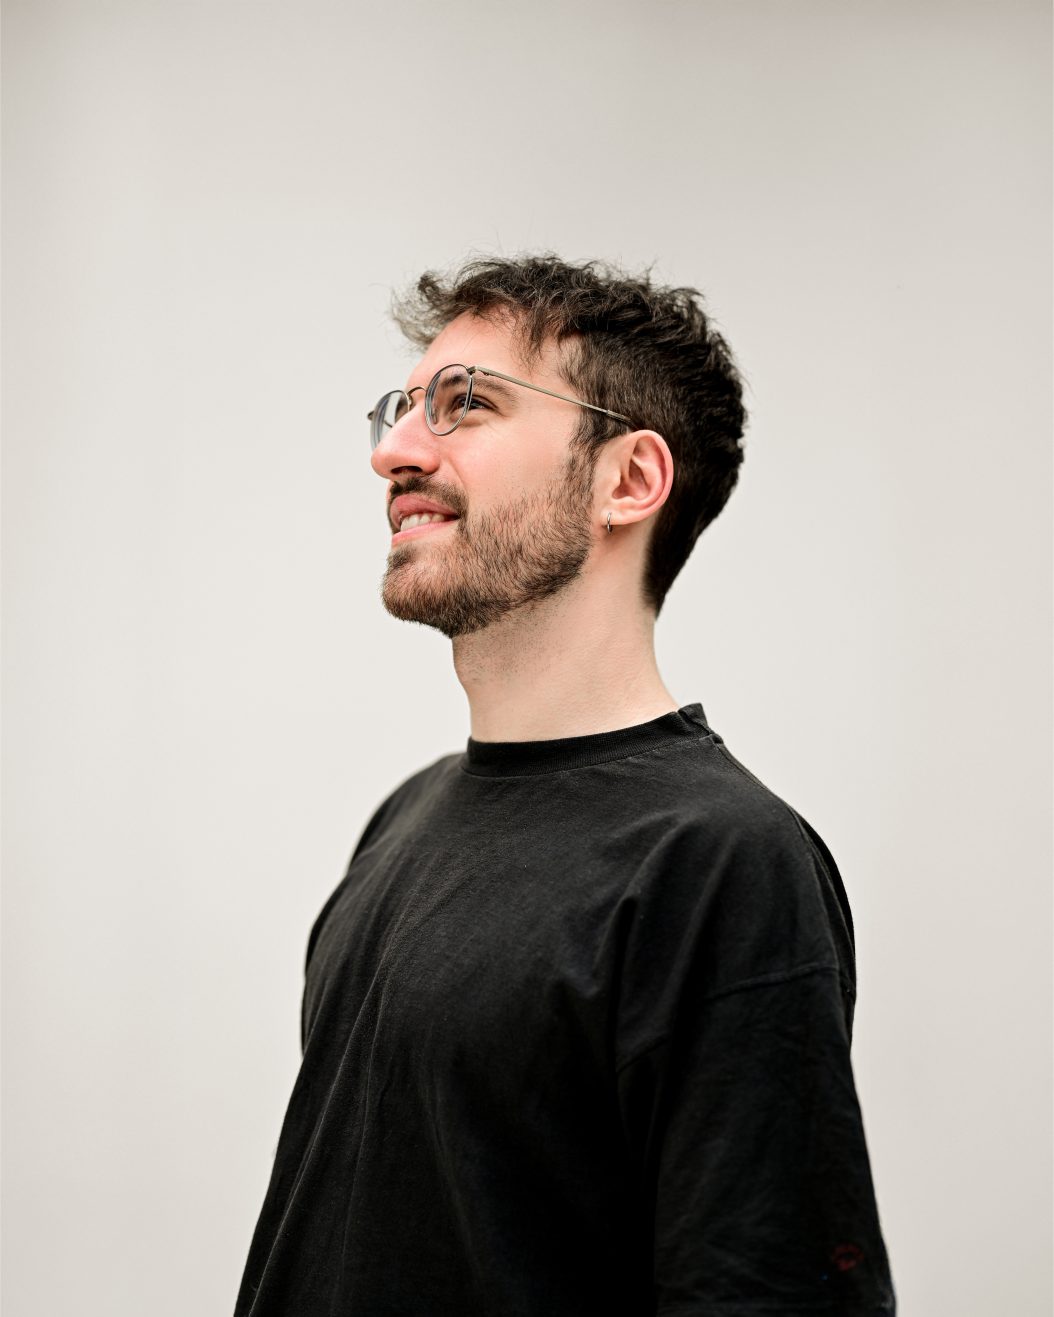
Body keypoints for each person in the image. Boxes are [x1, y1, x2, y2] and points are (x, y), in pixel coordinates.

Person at [234, 254, 896, 1316]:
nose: (394, 451)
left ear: (626, 481)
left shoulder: (719, 862)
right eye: (401, 409)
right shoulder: (404, 818)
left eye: (466, 404)